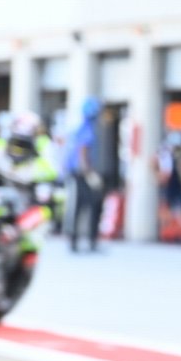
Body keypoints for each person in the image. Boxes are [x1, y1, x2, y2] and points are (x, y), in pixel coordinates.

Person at [64, 97, 103, 253]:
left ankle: (82, 240)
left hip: (77, 173)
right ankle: (81, 239)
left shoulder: (81, 127)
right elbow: (83, 152)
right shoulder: (86, 129)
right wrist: (89, 173)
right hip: (81, 174)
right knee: (85, 206)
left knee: (82, 206)